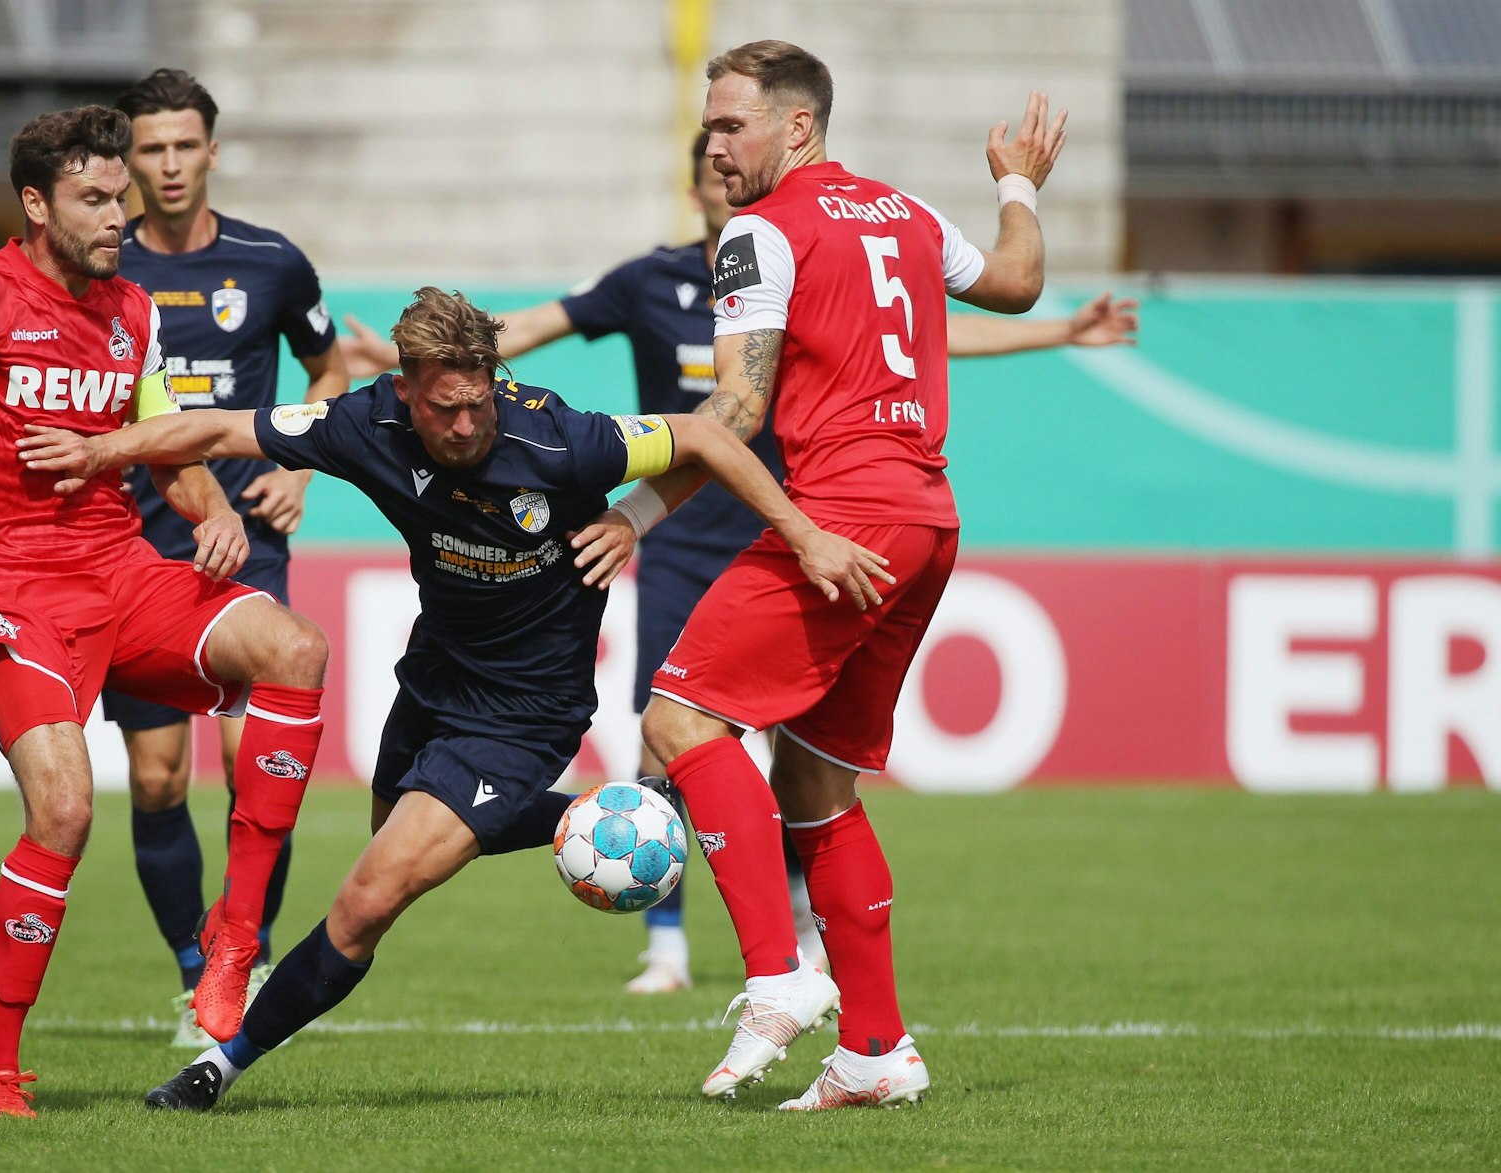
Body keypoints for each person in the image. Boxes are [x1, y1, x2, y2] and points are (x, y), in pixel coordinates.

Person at [17, 286, 894, 1113]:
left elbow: (707, 439)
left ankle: (218, 1063)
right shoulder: (363, 421)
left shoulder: (563, 439)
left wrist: (661, 521)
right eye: (445, 408)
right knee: (389, 836)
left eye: (479, 400)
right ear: (405, 390)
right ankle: (605, 815)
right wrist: (101, 451)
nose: (467, 423)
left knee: (366, 899)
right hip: (433, 679)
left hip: (525, 713)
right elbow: (214, 425)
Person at [341, 136, 1136, 996]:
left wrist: (1060, 330)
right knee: (666, 726)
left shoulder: (788, 264)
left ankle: (797, 930)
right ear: (697, 188)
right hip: (674, 536)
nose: (724, 180)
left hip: (774, 521)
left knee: (786, 746)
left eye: (733, 154)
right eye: (710, 165)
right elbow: (524, 331)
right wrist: (410, 367)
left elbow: (927, 340)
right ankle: (670, 945)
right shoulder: (650, 280)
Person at [590, 41, 1067, 1107]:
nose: (713, 146)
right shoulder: (903, 213)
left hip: (847, 519)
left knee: (677, 722)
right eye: (708, 127)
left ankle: (775, 977)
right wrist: (1016, 185)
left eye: (730, 125)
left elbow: (735, 418)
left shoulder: (759, 232)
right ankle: (878, 1051)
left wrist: (636, 506)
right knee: (813, 785)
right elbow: (1021, 282)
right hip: (927, 523)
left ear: (795, 127)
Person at [0, 106, 331, 1117]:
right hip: (9, 584)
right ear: (35, 203)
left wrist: (207, 512)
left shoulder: (129, 311)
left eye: (122, 198)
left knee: (294, 646)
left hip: (119, 565)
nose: (121, 214)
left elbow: (153, 433)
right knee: (64, 809)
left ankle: (232, 938)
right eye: (96, 199)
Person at [106, 69, 351, 1045]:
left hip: (246, 542)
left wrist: (303, 471)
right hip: (132, 549)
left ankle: (233, 962)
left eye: (182, 146)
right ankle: (189, 972)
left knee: (259, 772)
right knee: (158, 780)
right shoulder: (102, 263)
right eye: (149, 149)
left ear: (211, 150)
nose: (167, 165)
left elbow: (326, 367)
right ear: (130, 159)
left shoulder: (271, 263)